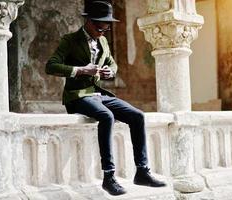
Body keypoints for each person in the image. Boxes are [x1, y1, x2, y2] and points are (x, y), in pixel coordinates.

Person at [45, 0, 166, 196]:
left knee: (137, 116)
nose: (104, 31)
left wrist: (111, 72)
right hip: (77, 96)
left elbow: (112, 63)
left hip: (99, 94)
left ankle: (142, 171)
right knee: (106, 116)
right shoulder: (70, 40)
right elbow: (51, 66)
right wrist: (81, 70)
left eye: (107, 27)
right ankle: (109, 176)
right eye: (101, 27)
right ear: (90, 22)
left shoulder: (102, 41)